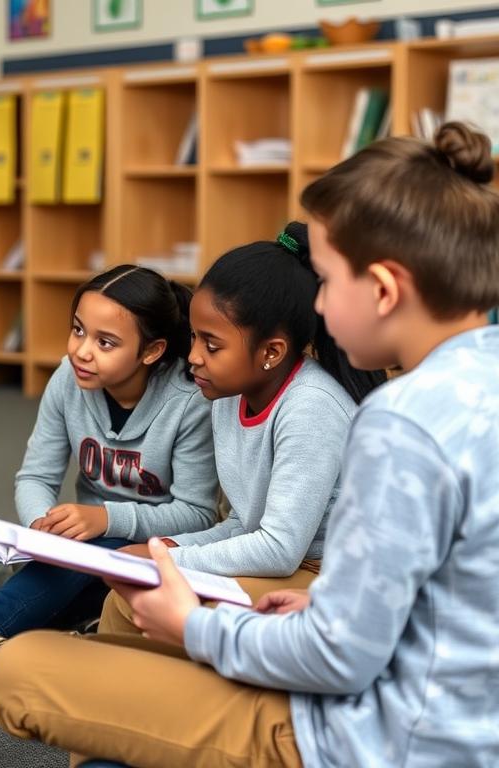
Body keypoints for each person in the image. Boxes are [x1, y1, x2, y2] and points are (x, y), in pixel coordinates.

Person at [0, 122, 499, 767]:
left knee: (20, 670)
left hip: (376, 739)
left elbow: (338, 660)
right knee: (117, 669)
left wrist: (196, 627)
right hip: (482, 728)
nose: (317, 307)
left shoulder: (399, 421)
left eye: (327, 282)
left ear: (384, 289)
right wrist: (324, 604)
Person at [0, 265, 219, 712]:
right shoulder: (67, 379)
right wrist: (41, 525)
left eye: (105, 342)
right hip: (84, 555)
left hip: (154, 555)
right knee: (67, 569)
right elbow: (36, 476)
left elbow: (197, 514)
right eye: (78, 330)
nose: (81, 351)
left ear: (151, 351)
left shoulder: (190, 402)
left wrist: (107, 518)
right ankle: (45, 640)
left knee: (79, 565)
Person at [103, 222, 386, 634]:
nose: (193, 357)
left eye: (211, 345)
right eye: (194, 338)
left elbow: (279, 549)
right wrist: (167, 547)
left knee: (179, 602)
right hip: (285, 564)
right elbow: (245, 523)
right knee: (128, 597)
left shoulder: (311, 407)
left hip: (333, 578)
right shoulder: (227, 394)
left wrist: (168, 561)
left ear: (271, 352)